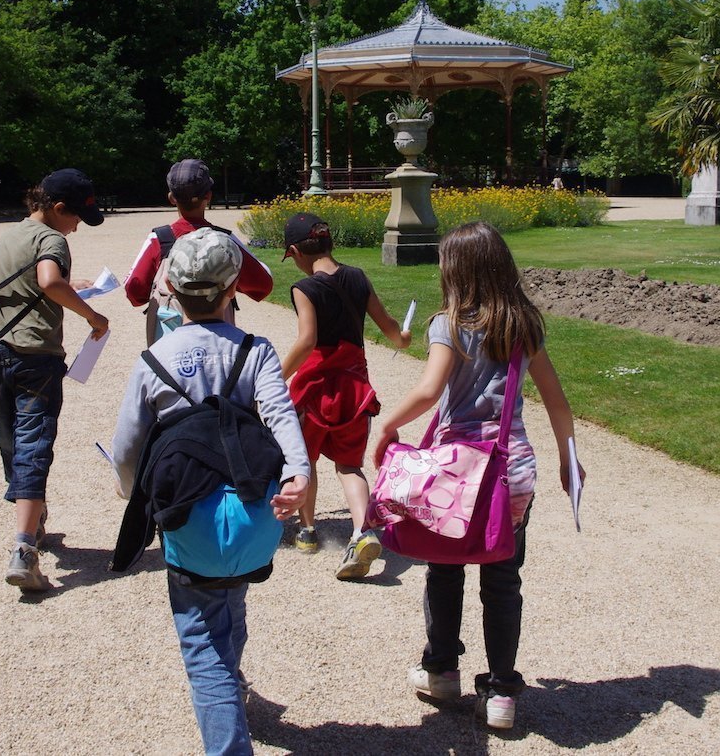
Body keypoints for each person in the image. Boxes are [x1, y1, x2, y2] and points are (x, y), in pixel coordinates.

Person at [372, 221, 584, 732]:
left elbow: (428, 391)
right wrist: (566, 457)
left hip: (458, 469)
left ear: (454, 271)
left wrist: (388, 426)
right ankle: (501, 692)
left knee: (444, 570)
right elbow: (558, 403)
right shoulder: (524, 326)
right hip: (511, 469)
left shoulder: (448, 325)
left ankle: (442, 668)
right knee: (503, 580)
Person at [113, 228, 310, 756]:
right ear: (231, 293)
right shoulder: (255, 351)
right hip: (252, 515)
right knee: (231, 599)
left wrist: (135, 494)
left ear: (171, 291)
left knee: (201, 642)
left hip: (188, 517)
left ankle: (227, 737)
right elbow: (280, 414)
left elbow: (126, 452)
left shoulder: (154, 360)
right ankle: (236, 686)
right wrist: (299, 473)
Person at [0, 168, 110, 592]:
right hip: (35, 355)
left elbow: (27, 282)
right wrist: (92, 315)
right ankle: (23, 549)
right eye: (76, 218)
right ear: (57, 209)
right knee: (35, 443)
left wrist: (72, 285)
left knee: (12, 440)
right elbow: (49, 280)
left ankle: (32, 522)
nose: (77, 227)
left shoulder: (11, 235)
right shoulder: (54, 239)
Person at [278, 212, 411, 578]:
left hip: (316, 389)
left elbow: (307, 342)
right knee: (350, 465)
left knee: (305, 461)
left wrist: (276, 376)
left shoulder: (304, 289)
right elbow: (390, 329)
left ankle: (306, 531)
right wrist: (403, 339)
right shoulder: (358, 278)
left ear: (295, 251)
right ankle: (361, 531)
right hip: (354, 388)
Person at [124, 158, 273, 344]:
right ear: (208, 196)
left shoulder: (159, 239)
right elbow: (263, 284)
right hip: (218, 339)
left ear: (171, 198)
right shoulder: (225, 240)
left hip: (169, 344)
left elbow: (133, 290)